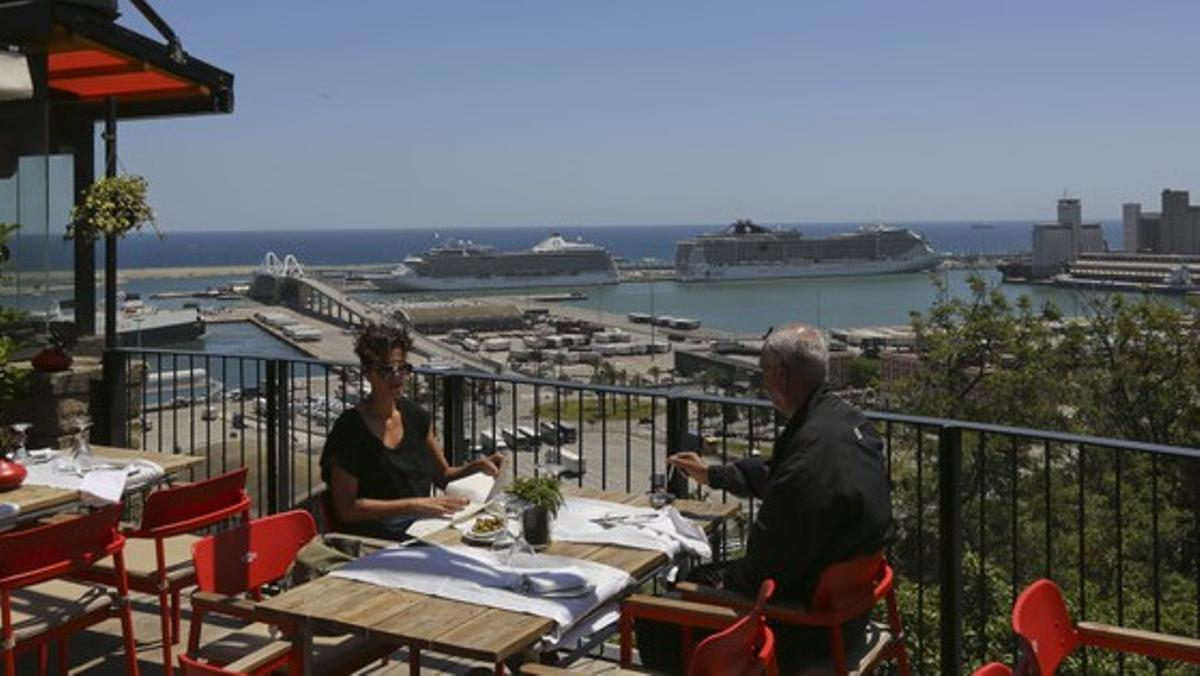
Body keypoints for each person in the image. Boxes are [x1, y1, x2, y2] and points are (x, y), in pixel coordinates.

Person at [641, 323, 893, 673]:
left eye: (763, 372)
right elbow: (778, 474)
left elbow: (761, 569)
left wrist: (714, 587)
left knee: (657, 614)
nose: (763, 382)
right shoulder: (845, 423)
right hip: (849, 609)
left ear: (781, 375)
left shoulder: (808, 462)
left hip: (807, 629)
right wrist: (713, 474)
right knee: (699, 578)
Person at [319, 323, 504, 540]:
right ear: (367, 374)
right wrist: (414, 504)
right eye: (385, 370)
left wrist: (478, 466)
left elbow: (443, 476)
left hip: (419, 527)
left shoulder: (415, 416)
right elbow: (347, 510)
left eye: (402, 368)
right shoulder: (350, 429)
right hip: (374, 537)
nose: (396, 377)